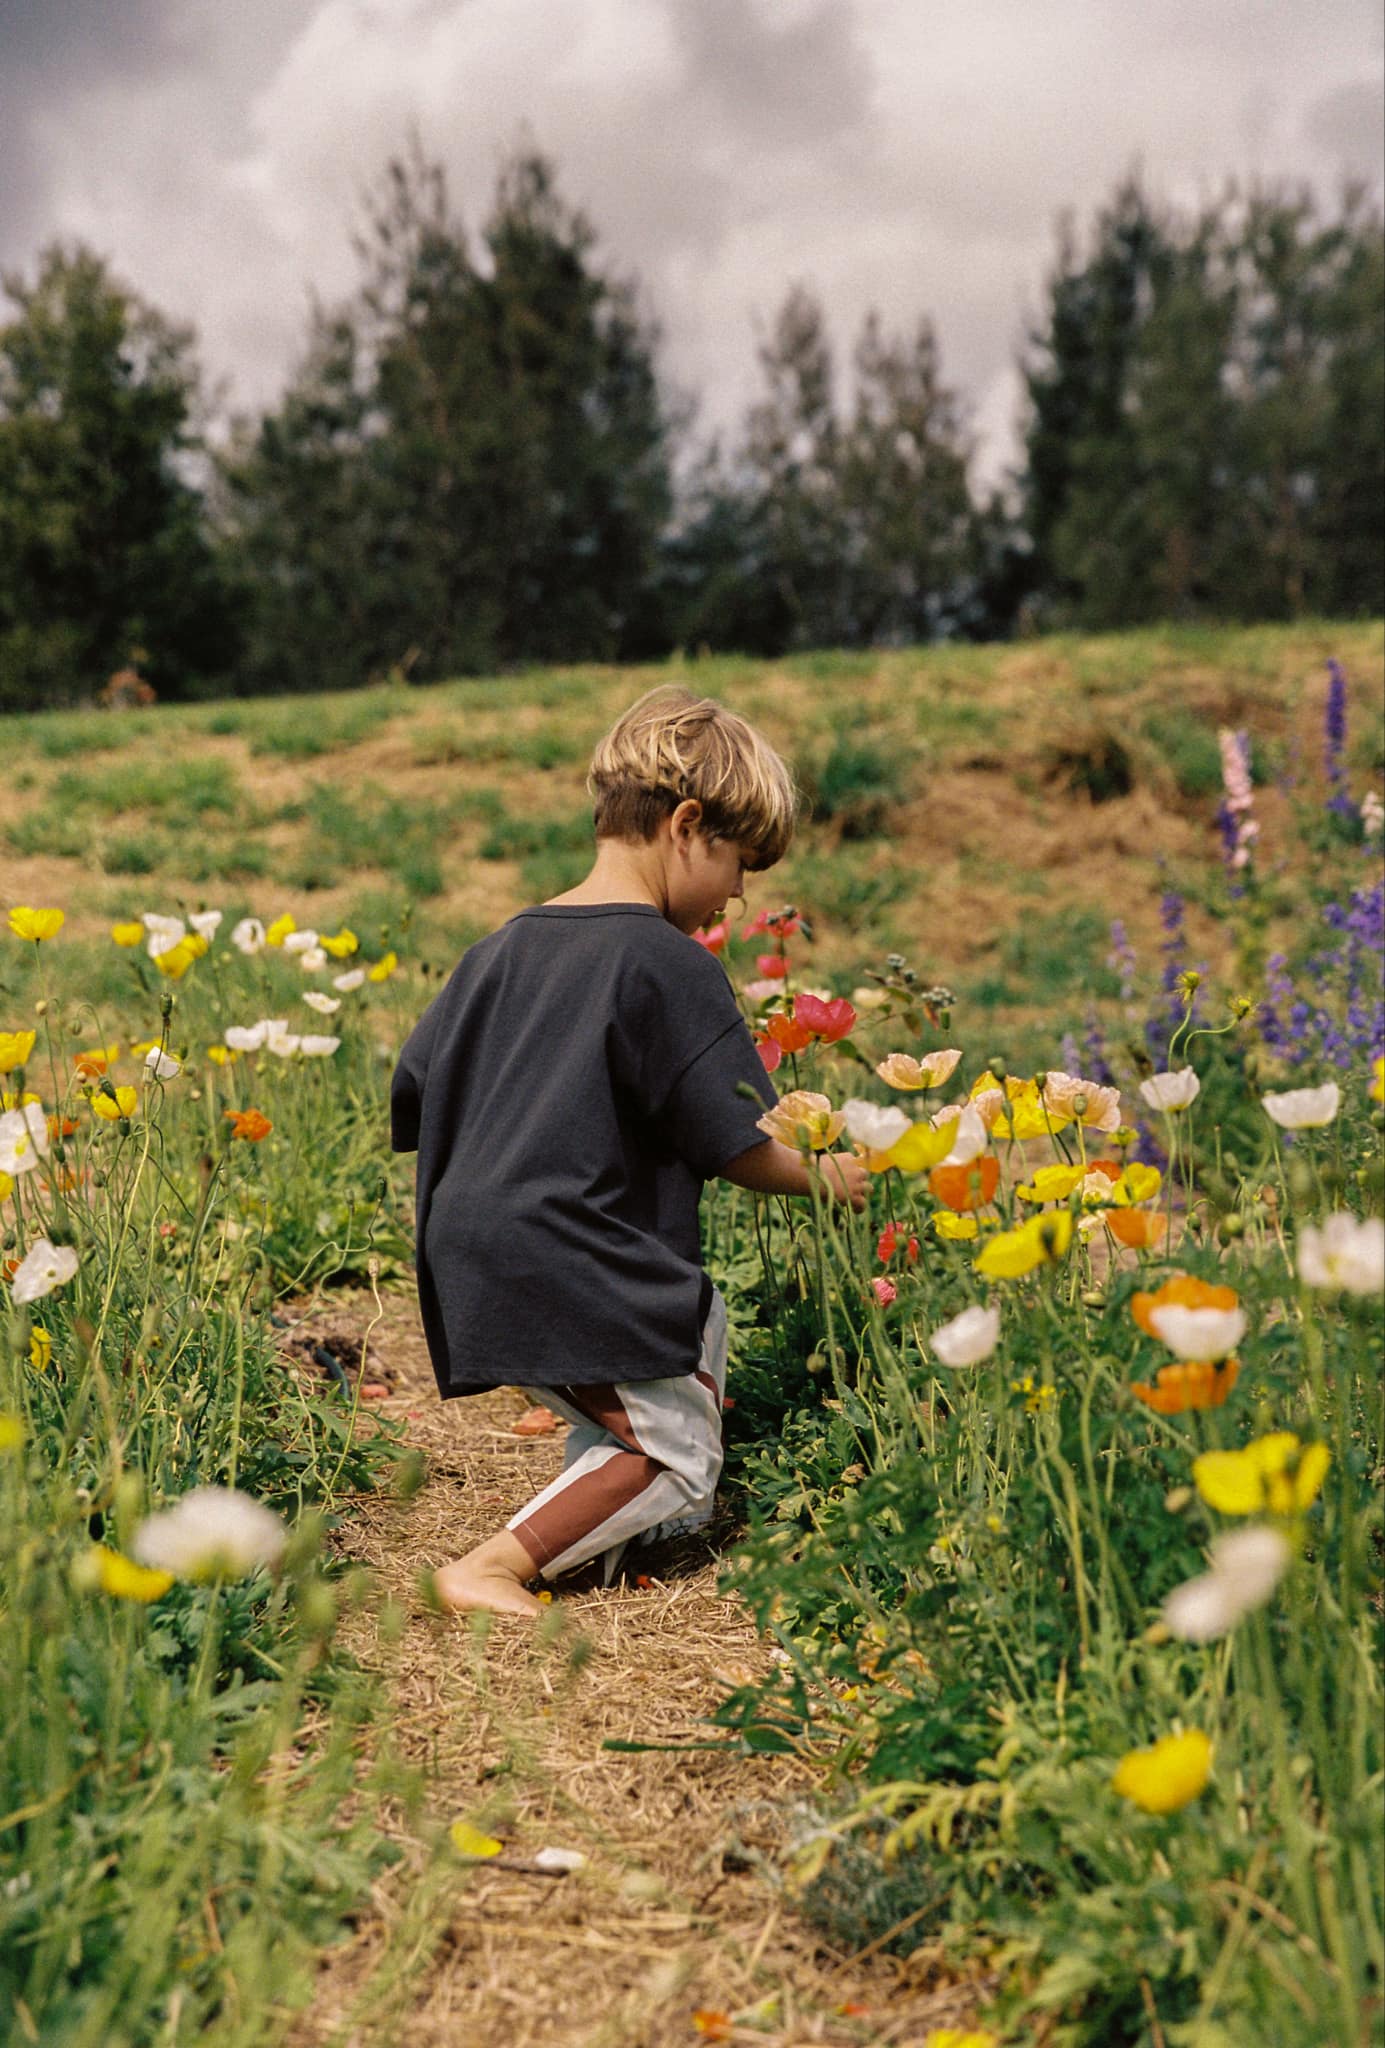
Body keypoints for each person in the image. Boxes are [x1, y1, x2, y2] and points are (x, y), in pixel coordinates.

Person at [390, 684, 869, 1615]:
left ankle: (610, 1544)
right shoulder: (665, 961)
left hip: (468, 1234)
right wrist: (840, 1176)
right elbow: (743, 1147)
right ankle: (488, 1568)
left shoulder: (498, 948)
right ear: (688, 824)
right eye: (737, 861)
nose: (737, 890)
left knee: (685, 1339)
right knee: (677, 1455)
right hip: (565, 1242)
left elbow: (415, 1086)